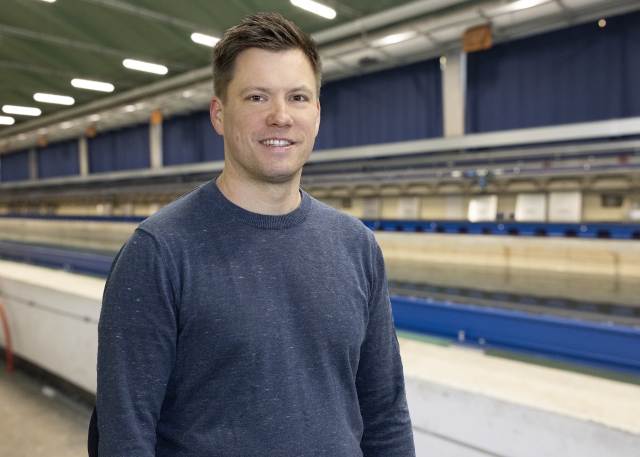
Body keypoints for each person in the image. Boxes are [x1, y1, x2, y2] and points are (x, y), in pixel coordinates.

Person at [94, 12, 415, 457]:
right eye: (257, 97)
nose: (280, 117)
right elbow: (124, 436)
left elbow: (386, 414)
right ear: (219, 114)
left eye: (298, 97)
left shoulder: (356, 245)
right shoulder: (159, 253)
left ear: (317, 115)